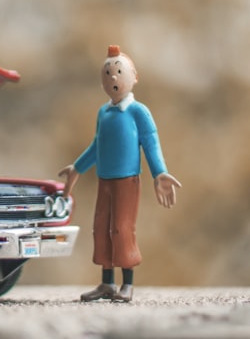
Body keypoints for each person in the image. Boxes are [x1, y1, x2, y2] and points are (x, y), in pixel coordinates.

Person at [59, 45, 182, 303]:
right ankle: (107, 283)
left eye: (118, 72)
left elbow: (150, 142)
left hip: (127, 180)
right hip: (105, 179)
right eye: (108, 73)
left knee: (122, 228)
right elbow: (96, 146)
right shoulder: (103, 112)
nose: (113, 78)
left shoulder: (138, 112)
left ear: (134, 76)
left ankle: (127, 283)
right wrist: (78, 167)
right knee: (101, 228)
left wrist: (159, 172)